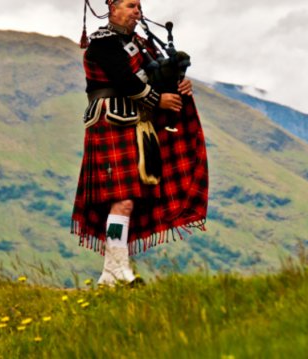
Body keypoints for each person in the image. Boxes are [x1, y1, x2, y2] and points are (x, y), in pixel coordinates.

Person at [71, 0, 208, 286]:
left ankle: (113, 273)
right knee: (122, 199)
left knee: (127, 201)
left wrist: (180, 84)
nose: (137, 10)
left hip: (135, 124)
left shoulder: (140, 44)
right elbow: (125, 81)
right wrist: (159, 100)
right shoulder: (103, 44)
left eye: (139, 6)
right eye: (131, 5)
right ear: (113, 9)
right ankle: (119, 272)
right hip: (110, 122)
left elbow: (157, 75)